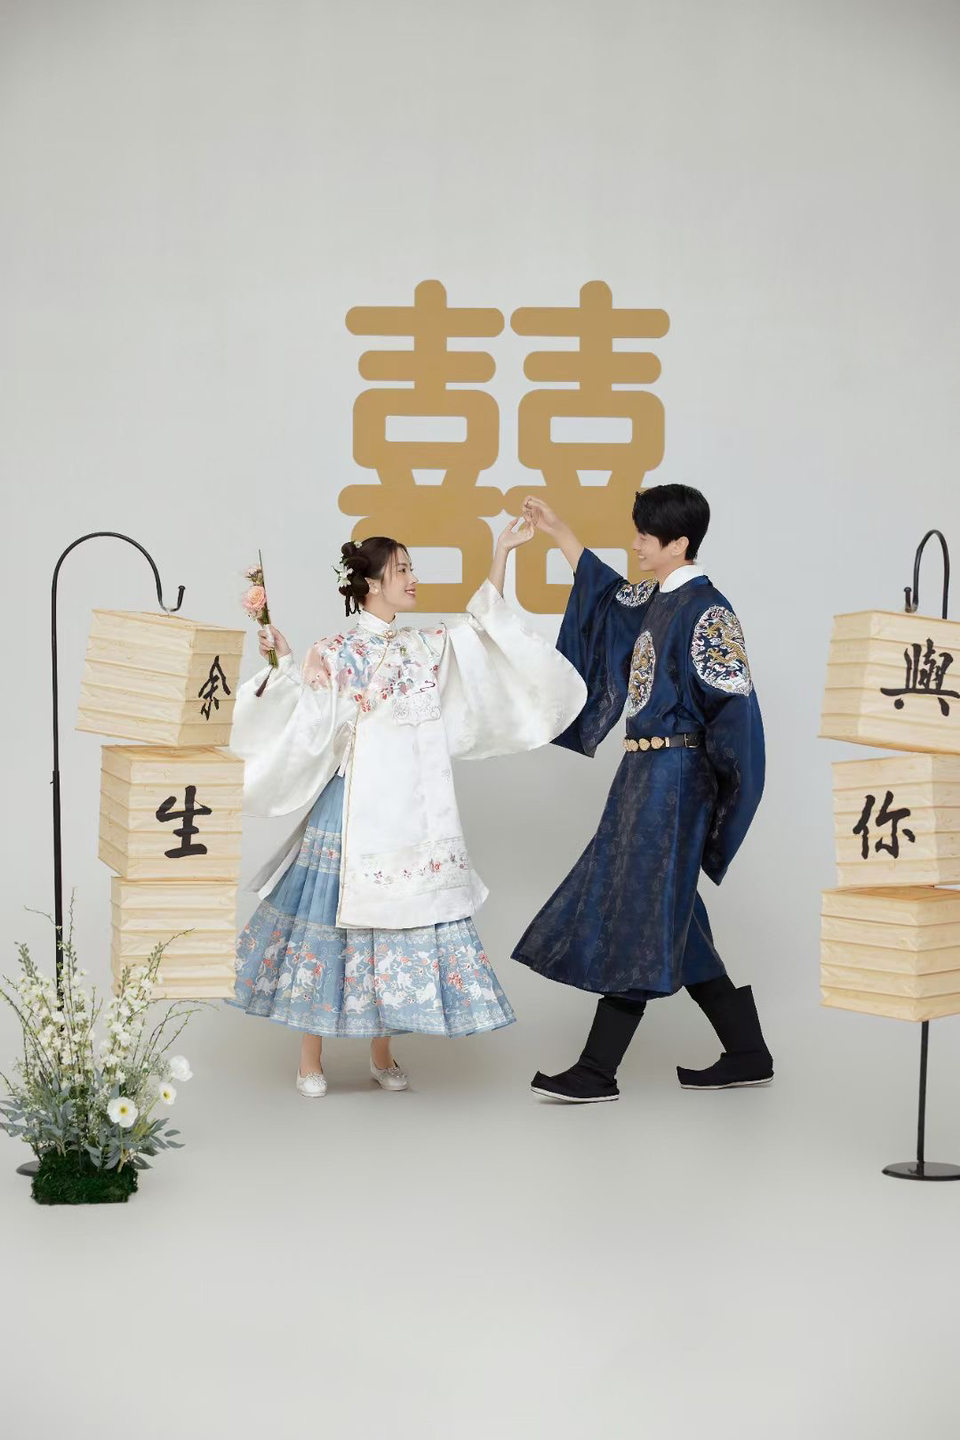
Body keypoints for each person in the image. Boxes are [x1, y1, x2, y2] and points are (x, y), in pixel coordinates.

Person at [228, 522, 587, 1097]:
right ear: (371, 583)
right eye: (402, 570)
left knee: (395, 926)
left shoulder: (424, 645)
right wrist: (286, 661)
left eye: (411, 569)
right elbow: (307, 716)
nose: (413, 579)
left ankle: (382, 1051)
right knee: (331, 926)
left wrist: (501, 553)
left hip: (413, 810)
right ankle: (310, 1057)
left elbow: (482, 629)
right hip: (354, 804)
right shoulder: (336, 649)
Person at [512, 484, 772, 1102]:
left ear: (679, 544)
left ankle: (597, 1069)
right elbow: (606, 599)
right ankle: (748, 1052)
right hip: (643, 778)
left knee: (639, 907)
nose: (635, 546)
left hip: (677, 780)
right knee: (673, 916)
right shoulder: (656, 597)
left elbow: (735, 716)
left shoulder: (709, 612)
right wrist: (559, 532)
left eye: (646, 538)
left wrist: (719, 804)